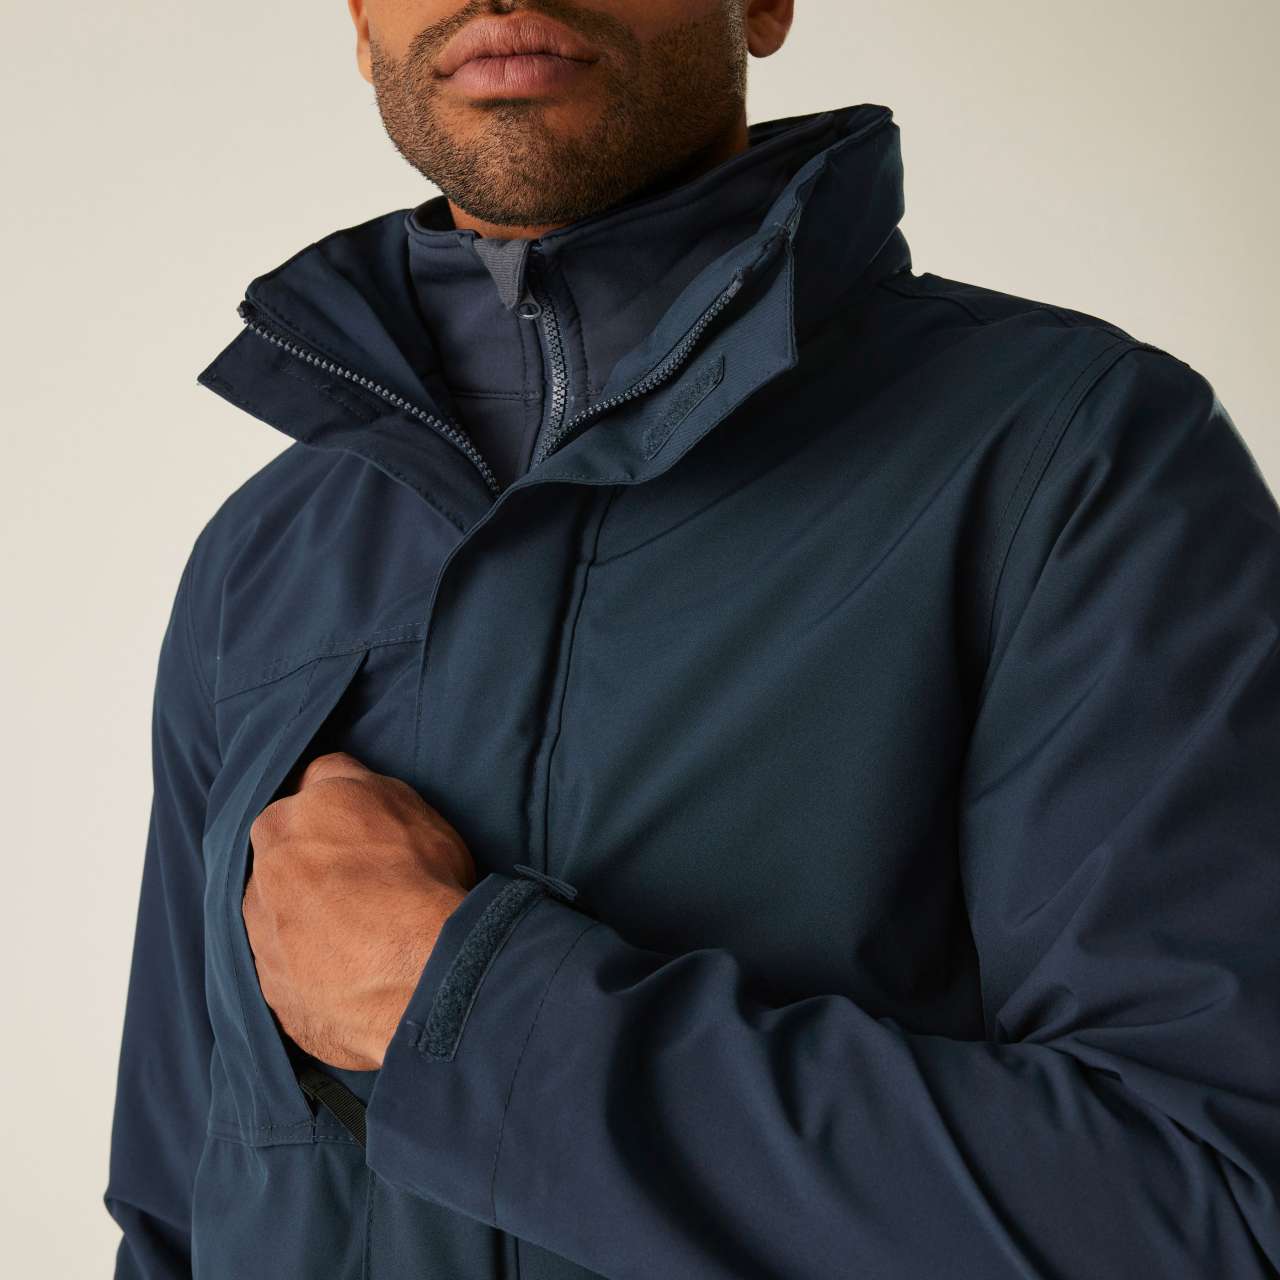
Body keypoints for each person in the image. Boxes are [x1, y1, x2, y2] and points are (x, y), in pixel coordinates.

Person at [103, 1, 1280, 1276]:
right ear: (357, 19)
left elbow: (1208, 1211)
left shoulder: (1073, 461)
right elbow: (175, 1221)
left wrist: (465, 1015)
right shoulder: (263, 556)